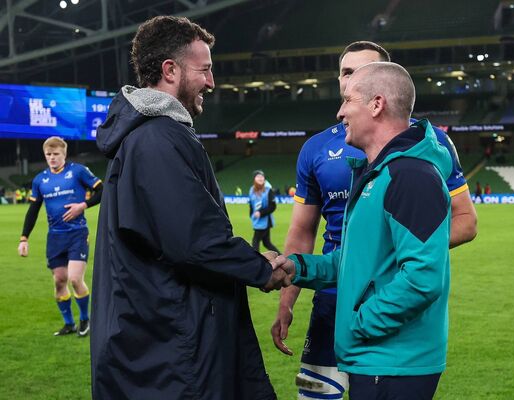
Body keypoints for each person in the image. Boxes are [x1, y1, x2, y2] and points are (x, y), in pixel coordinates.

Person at [90, 16, 290, 399]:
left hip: (163, 339)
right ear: (170, 70)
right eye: (205, 70)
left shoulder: (151, 134)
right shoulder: (156, 139)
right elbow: (193, 239)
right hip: (171, 349)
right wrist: (260, 269)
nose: (211, 83)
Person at [271, 41, 477, 399]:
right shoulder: (372, 170)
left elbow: (423, 277)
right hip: (351, 330)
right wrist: (296, 268)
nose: (340, 111)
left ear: (377, 101)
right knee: (312, 395)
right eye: (345, 77)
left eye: (350, 99)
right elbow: (355, 256)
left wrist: (360, 319)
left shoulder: (410, 173)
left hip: (386, 347)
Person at [17, 136, 103, 337]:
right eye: (49, 154)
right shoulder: (40, 180)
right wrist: (23, 238)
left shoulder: (78, 171)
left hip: (77, 234)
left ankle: (84, 319)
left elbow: (102, 190)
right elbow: (33, 210)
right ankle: (68, 323)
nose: (52, 158)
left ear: (64, 154)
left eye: (56, 154)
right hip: (55, 238)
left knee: (74, 279)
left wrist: (83, 205)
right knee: (59, 281)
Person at [250, 170, 281, 254]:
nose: (260, 178)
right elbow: (251, 205)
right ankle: (281, 257)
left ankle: (255, 260)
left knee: (255, 241)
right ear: (254, 179)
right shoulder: (252, 190)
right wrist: (252, 215)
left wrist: (260, 213)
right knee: (267, 243)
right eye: (258, 176)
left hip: (265, 221)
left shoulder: (268, 190)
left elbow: (273, 206)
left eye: (262, 176)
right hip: (257, 221)